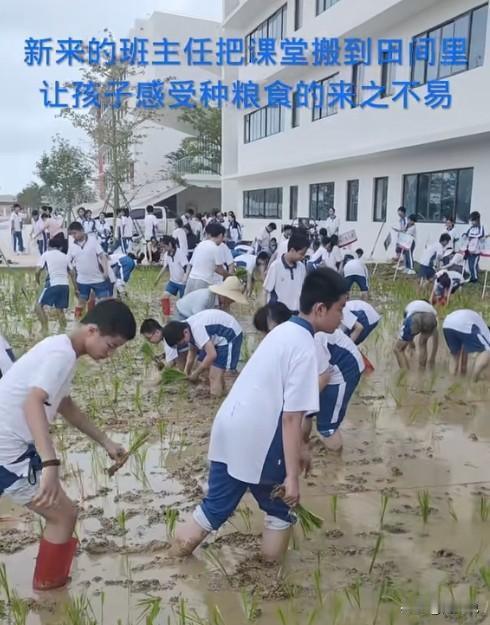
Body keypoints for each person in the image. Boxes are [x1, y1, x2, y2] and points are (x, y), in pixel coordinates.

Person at [170, 268, 350, 560]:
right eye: (340, 309)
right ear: (320, 308)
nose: (342, 317)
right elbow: (291, 417)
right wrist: (292, 476)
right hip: (259, 437)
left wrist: (301, 449)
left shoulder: (282, 331)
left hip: (229, 425)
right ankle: (271, 577)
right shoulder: (305, 346)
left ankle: (174, 559)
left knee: (214, 507)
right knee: (282, 507)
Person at [0, 300, 136, 590]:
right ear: (92, 330)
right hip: (7, 454)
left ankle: (51, 581)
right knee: (63, 515)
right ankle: (49, 593)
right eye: (110, 346)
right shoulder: (61, 354)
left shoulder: (63, 349)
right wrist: (50, 464)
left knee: (63, 513)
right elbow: (32, 402)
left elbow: (63, 403)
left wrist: (105, 441)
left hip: (13, 447)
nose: (109, 355)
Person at [141, 277, 248, 369]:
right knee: (181, 344)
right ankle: (181, 370)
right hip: (183, 313)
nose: (232, 302)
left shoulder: (222, 302)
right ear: (226, 295)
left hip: (196, 319)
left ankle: (188, 366)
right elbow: (199, 325)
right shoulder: (206, 299)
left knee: (197, 345)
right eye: (232, 299)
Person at [306, 329, 365, 452]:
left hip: (344, 370)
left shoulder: (312, 339)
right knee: (307, 411)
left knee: (327, 428)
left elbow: (324, 377)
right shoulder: (299, 334)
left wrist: (306, 401)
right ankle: (303, 443)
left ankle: (336, 464)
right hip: (329, 366)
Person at [162, 309, 243, 397]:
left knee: (216, 375)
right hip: (214, 339)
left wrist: (196, 373)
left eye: (180, 342)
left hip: (229, 335)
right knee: (206, 369)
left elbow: (212, 355)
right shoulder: (184, 328)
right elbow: (192, 351)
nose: (182, 345)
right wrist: (186, 371)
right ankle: (222, 393)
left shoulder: (197, 330)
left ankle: (216, 401)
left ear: (185, 332)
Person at [68, 222, 112, 318]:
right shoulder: (72, 246)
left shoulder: (93, 241)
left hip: (98, 278)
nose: (73, 236)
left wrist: (105, 271)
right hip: (82, 280)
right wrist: (73, 281)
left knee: (104, 302)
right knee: (81, 303)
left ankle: (103, 322)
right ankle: (78, 324)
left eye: (75, 233)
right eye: (72, 234)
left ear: (82, 231)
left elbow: (102, 256)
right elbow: (68, 263)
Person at [35, 235, 75, 333]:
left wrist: (37, 281)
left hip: (53, 284)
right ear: (60, 247)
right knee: (60, 310)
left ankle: (45, 328)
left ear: (49, 246)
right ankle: (63, 330)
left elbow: (37, 271)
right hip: (65, 285)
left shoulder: (46, 254)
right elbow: (73, 273)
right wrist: (76, 287)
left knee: (38, 306)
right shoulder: (65, 256)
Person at [263, 233, 309, 313]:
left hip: (296, 312)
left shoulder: (301, 267)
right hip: (279, 313)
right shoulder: (276, 266)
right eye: (301, 254)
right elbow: (266, 291)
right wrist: (265, 312)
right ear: (292, 250)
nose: (303, 257)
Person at [443, 309, 490, 381]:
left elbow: (465, 348)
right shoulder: (485, 332)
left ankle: (452, 381)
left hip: (447, 324)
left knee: (455, 355)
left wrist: (463, 370)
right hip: (464, 323)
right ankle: (474, 379)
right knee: (488, 350)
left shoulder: (478, 324)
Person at [185, 223, 227, 295]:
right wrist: (230, 276)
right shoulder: (215, 248)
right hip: (203, 281)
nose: (223, 240)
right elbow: (220, 270)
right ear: (220, 235)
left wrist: (186, 277)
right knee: (202, 305)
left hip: (191, 279)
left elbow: (191, 263)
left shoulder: (200, 245)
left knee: (188, 303)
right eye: (223, 237)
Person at [394, 300, 438, 369]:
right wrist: (433, 356)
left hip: (415, 318)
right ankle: (422, 370)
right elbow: (436, 335)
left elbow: (406, 324)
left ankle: (404, 376)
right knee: (423, 344)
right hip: (431, 318)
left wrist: (411, 344)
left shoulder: (411, 305)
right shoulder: (431, 307)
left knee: (398, 349)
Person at [154, 235, 189, 308]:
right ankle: (166, 318)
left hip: (182, 283)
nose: (164, 249)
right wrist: (157, 279)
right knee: (164, 298)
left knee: (183, 303)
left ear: (170, 244)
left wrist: (185, 278)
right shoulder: (167, 254)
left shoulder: (180, 253)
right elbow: (164, 267)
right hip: (172, 281)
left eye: (165, 246)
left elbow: (186, 267)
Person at [462, 211, 486, 283]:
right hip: (470, 250)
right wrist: (465, 235)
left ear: (477, 220)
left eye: (473, 220)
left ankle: (474, 279)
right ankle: (473, 277)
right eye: (471, 220)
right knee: (470, 265)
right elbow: (466, 234)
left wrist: (471, 236)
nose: (472, 222)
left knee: (473, 266)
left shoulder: (481, 227)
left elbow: (480, 235)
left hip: (476, 251)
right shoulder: (471, 228)